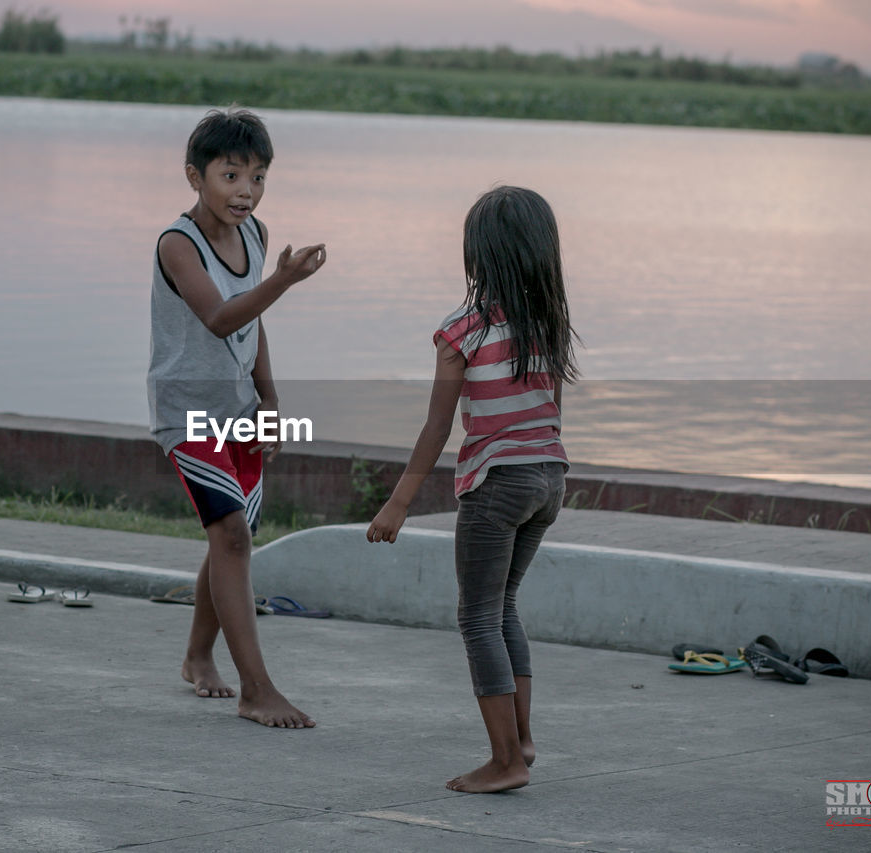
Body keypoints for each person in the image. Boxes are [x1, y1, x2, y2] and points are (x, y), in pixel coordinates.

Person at [366, 186, 578, 791]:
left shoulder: (462, 332)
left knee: (477, 618)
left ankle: (506, 761)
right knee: (505, 607)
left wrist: (398, 503)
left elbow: (437, 427)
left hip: (497, 485)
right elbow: (551, 412)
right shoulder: (550, 327)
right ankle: (524, 740)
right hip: (549, 480)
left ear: (477, 257)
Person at [148, 106, 326, 728]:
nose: (245, 191)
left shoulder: (254, 234)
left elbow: (252, 323)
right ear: (195, 177)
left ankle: (198, 656)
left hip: (241, 410)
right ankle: (257, 689)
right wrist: (284, 282)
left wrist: (271, 402)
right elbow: (221, 317)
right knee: (231, 534)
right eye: (231, 175)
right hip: (188, 410)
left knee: (231, 539)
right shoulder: (178, 244)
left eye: (258, 177)